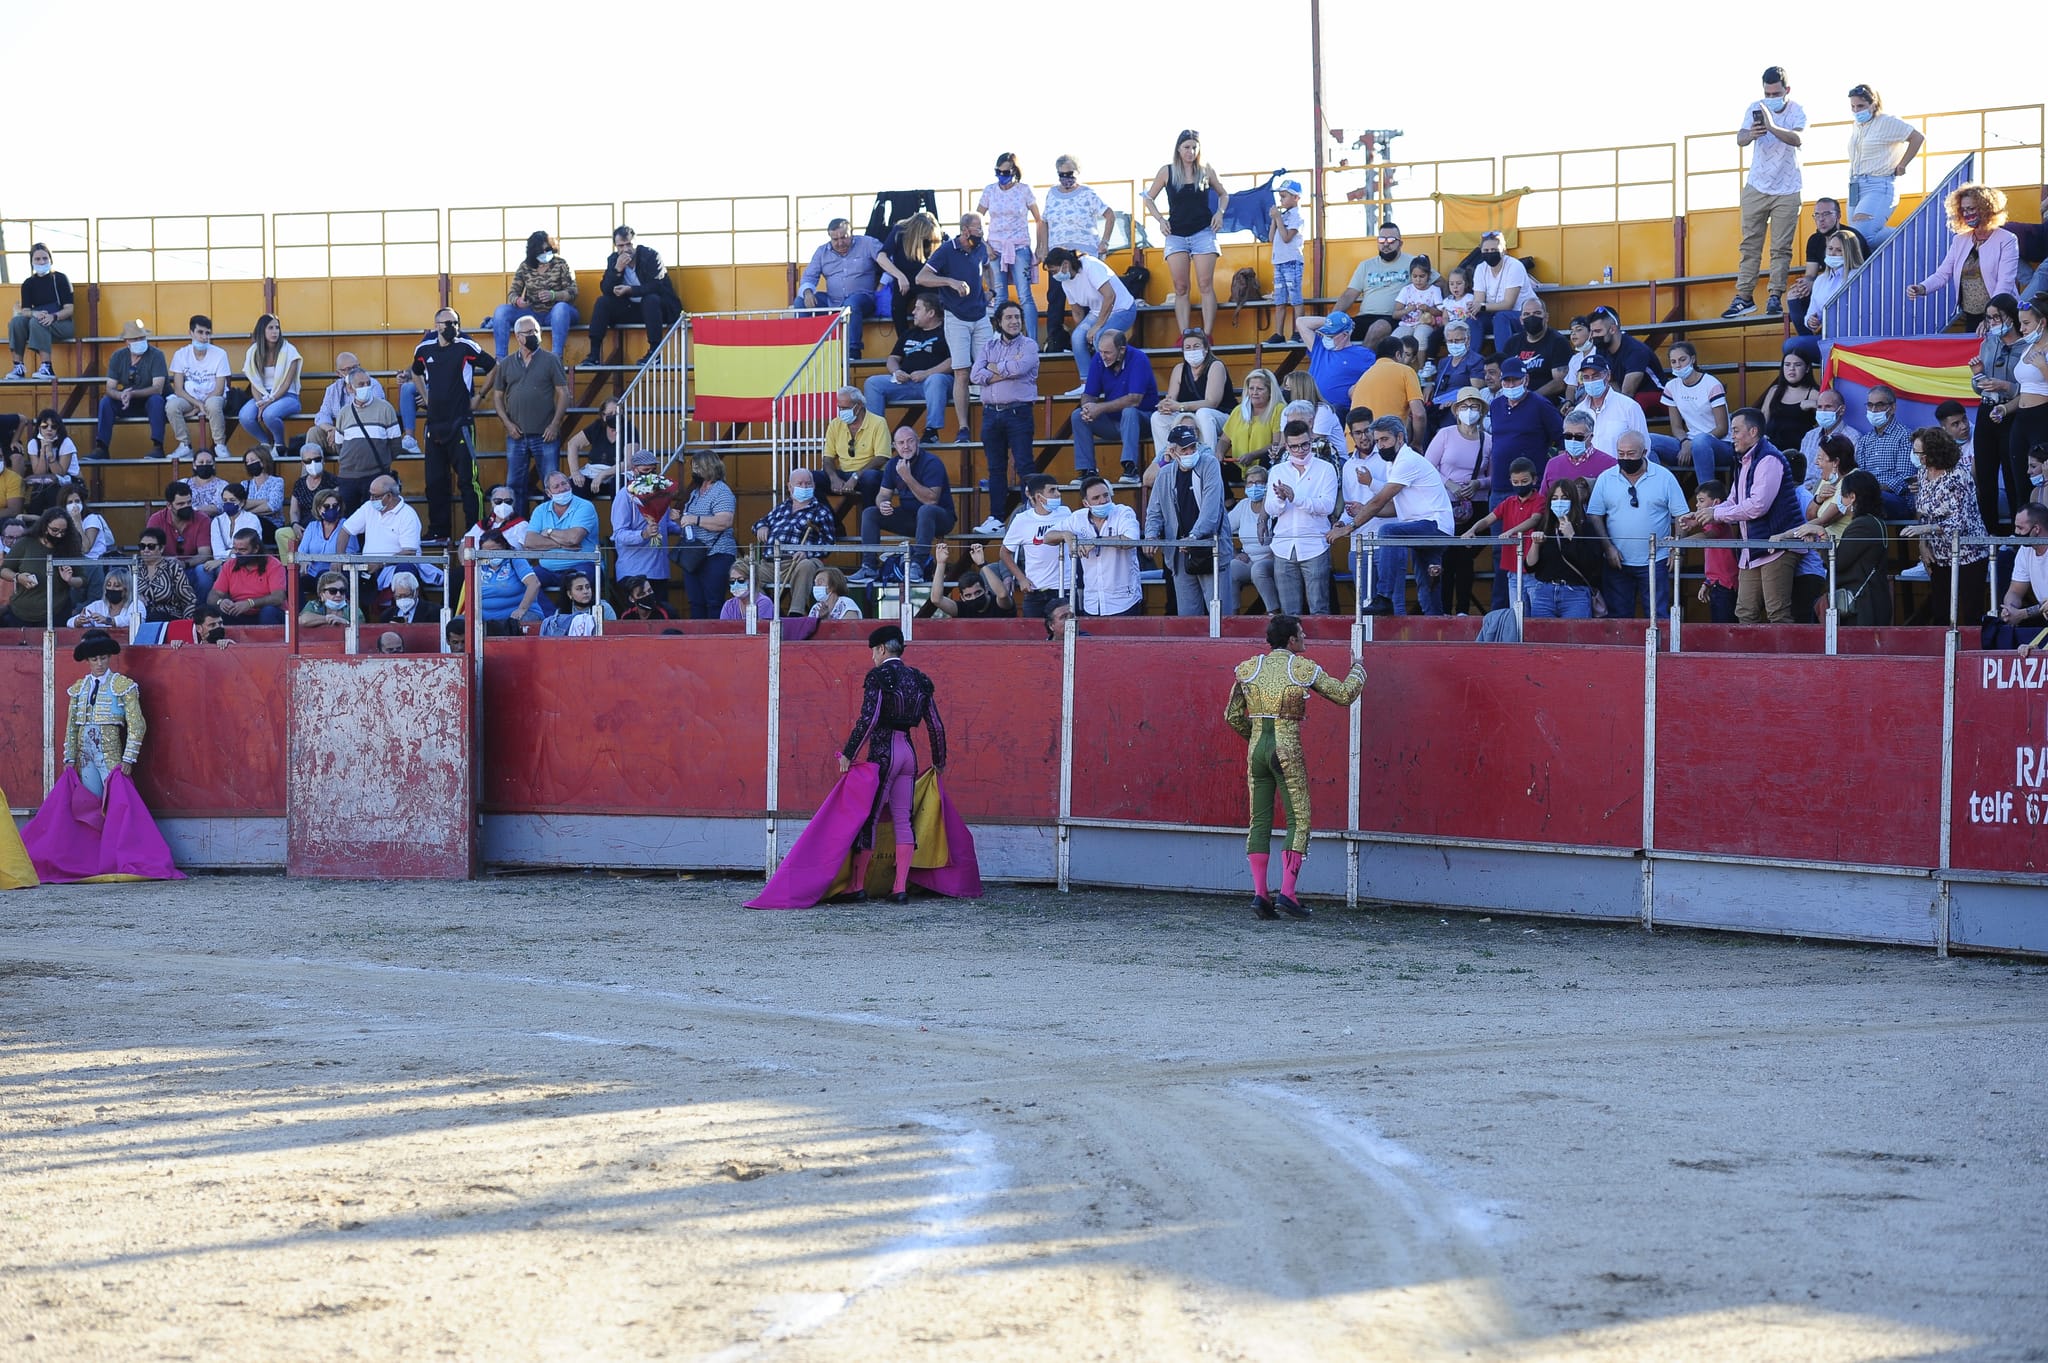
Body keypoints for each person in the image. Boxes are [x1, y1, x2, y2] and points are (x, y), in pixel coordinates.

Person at [1224, 614, 1364, 920]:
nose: (1305, 638)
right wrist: (1358, 668)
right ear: (1291, 640)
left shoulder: (1249, 668)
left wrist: (1256, 739)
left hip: (1257, 751)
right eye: (1302, 633)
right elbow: (1344, 695)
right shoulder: (1301, 668)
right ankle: (1287, 893)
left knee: (1259, 820)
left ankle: (1260, 895)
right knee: (1299, 820)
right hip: (1286, 750)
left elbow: (1232, 716)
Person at [1680, 408, 1802, 622]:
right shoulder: (1744, 460)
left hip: (1777, 546)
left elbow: (1757, 506)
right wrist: (1702, 515)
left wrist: (1716, 514)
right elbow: (1733, 501)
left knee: (1777, 613)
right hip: (1754, 547)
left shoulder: (1769, 459)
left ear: (1753, 432)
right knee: (1744, 612)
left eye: (1736, 431)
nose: (1732, 436)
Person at [1724, 66, 1808, 319]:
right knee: (1750, 244)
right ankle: (1744, 297)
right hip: (1757, 186)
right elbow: (1740, 138)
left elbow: (1798, 139)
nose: (1771, 98)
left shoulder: (1797, 110)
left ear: (1786, 90)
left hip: (1788, 188)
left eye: (1776, 93)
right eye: (1767, 93)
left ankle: (1774, 296)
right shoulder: (1755, 107)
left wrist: (1771, 126)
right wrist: (1751, 133)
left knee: (1781, 247)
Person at [1350, 416, 1455, 616]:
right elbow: (1392, 508)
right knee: (1427, 590)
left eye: (1385, 439)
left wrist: (1352, 526)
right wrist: (1363, 510)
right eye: (1377, 441)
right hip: (1423, 527)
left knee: (1388, 531)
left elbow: (1380, 501)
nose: (1380, 445)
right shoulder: (1394, 463)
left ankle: (1384, 597)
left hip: (1434, 525)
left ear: (1399, 438)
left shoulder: (1407, 460)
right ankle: (1438, 630)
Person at [409, 307, 495, 542]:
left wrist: (480, 397)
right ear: (436, 325)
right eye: (446, 323)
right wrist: (425, 396)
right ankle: (439, 531)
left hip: (461, 423)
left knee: (468, 480)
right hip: (434, 425)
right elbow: (415, 372)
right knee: (435, 481)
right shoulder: (424, 349)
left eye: (455, 323)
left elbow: (493, 367)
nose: (451, 327)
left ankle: (476, 531)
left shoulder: (466, 346)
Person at [1586, 432, 1690, 618]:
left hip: (1656, 561)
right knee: (1619, 619)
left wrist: (1677, 548)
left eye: (1631, 453)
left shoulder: (1664, 477)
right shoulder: (1605, 478)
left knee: (1658, 616)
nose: (1625, 458)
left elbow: (1682, 515)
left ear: (1644, 452)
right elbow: (1594, 515)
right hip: (1617, 562)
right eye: (1621, 453)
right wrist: (1608, 547)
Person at [916, 213, 996, 439]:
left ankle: (992, 422)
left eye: (982, 228)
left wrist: (991, 290)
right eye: (978, 228)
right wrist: (949, 281)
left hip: (980, 315)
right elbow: (921, 277)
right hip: (956, 317)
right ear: (965, 230)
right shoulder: (946, 250)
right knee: (961, 372)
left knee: (989, 369)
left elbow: (988, 267)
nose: (981, 232)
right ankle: (963, 428)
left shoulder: (981, 248)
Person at [1901, 426, 1990, 625]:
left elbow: (1960, 521)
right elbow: (1924, 512)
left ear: (1934, 452)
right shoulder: (1923, 474)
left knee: (1971, 613)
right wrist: (1923, 544)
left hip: (1968, 553)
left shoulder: (1958, 475)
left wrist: (1926, 529)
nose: (1916, 456)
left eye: (1919, 452)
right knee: (1940, 612)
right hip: (1938, 555)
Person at [1143, 130, 1228, 336]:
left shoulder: (1206, 170)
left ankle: (1207, 335)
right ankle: (1185, 336)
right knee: (1180, 287)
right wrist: (1160, 220)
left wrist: (1220, 213)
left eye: (1194, 147)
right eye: (1187, 147)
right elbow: (1148, 198)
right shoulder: (1167, 171)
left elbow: (1223, 194)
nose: (1191, 151)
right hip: (1176, 235)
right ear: (1178, 149)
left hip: (1203, 232)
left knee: (1205, 284)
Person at [971, 301, 1041, 531]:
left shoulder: (1029, 345)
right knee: (995, 468)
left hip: (1018, 412)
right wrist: (1005, 369)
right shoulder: (988, 346)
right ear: (999, 322)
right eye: (1009, 318)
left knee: (1024, 464)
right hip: (991, 414)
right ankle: (996, 519)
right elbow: (975, 375)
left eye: (1017, 317)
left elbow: (1020, 369)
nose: (1014, 322)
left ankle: (1030, 515)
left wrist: (993, 367)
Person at [1143, 425, 1227, 615]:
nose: (1190, 453)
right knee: (1187, 618)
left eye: (1193, 447)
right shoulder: (1164, 474)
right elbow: (1154, 511)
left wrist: (1194, 537)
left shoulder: (1210, 464)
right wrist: (1151, 535)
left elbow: (1211, 510)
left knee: (1220, 616)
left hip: (1211, 548)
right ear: (1172, 452)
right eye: (1184, 449)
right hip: (1179, 554)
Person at [853, 427, 955, 585]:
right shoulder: (893, 464)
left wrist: (907, 477)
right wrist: (882, 503)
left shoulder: (932, 462)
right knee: (870, 513)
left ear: (918, 442)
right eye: (901, 443)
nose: (906, 446)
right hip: (911, 518)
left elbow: (931, 500)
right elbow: (882, 494)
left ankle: (918, 564)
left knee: (926, 510)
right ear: (895, 446)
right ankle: (869, 566)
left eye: (910, 441)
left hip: (940, 519)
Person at [1907, 184, 2017, 330]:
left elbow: (2005, 282)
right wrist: (1922, 288)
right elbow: (1942, 274)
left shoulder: (2007, 239)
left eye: (1971, 209)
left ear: (1986, 209)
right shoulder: (1959, 240)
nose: (1966, 214)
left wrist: (1991, 316)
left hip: (2002, 314)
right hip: (1971, 316)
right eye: (1963, 210)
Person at [1037, 155, 1117, 350]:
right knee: (1055, 298)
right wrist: (1043, 247)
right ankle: (1054, 340)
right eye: (1062, 175)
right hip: (1058, 254)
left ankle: (1092, 339)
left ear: (1078, 173)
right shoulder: (1051, 194)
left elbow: (1110, 215)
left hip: (1082, 255)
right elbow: (1044, 221)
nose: (1066, 178)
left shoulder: (1088, 194)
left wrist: (1105, 241)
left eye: (1070, 174)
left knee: (1089, 298)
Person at [493, 314, 572, 513]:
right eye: (528, 332)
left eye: (536, 331)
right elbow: (497, 397)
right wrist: (508, 424)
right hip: (516, 436)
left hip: (546, 435)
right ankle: (517, 527)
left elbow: (564, 394)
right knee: (514, 486)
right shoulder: (506, 363)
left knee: (552, 485)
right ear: (518, 337)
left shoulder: (551, 360)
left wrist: (555, 425)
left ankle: (549, 525)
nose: (534, 335)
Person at [1424, 387, 1491, 613]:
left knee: (1464, 556)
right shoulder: (1445, 434)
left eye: (1474, 407)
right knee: (1448, 557)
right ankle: (1443, 609)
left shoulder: (1487, 440)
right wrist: (1449, 484)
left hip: (1476, 506)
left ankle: (1462, 610)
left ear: (1481, 411)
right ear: (1456, 410)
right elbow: (1427, 467)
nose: (1469, 411)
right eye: (1464, 406)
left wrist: (1477, 484)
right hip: (1446, 505)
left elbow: (1493, 477)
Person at [797, 218, 897, 362]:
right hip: (833, 302)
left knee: (851, 303)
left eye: (844, 237)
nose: (840, 243)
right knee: (800, 301)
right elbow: (809, 277)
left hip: (863, 300)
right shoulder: (821, 252)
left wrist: (882, 284)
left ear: (851, 233)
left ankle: (853, 351)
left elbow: (891, 262)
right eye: (835, 239)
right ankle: (804, 349)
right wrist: (807, 292)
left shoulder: (868, 243)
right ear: (829, 237)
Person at [1045, 475, 1144, 618]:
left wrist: (1096, 541)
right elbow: (1047, 537)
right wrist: (1065, 534)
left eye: (1106, 495)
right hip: (1092, 602)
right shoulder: (1077, 518)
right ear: (1086, 503)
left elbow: (1131, 540)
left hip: (1124, 601)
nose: (1103, 500)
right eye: (1096, 498)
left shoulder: (1123, 512)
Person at [1068, 328, 1159, 483]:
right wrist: (1087, 408)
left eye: (1107, 353)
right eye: (1101, 352)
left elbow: (1134, 399)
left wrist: (1099, 408)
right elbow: (1089, 394)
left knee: (1129, 412)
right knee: (1078, 416)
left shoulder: (1139, 359)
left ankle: (1130, 468)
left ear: (1122, 350)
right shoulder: (1099, 359)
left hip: (1142, 421)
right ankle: (1087, 470)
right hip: (1113, 422)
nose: (1103, 356)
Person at [1265, 421, 1337, 615]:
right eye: (1294, 446)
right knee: (1289, 614)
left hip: (1315, 546)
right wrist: (1281, 499)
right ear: (1286, 446)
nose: (1300, 451)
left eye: (1304, 444)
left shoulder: (1326, 469)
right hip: (1283, 547)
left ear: (1311, 440)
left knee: (1319, 610)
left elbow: (1327, 506)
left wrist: (1295, 498)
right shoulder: (1278, 471)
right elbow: (1270, 508)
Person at [861, 293, 953, 442]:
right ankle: (876, 435)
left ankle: (932, 431)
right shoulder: (909, 333)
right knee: (872, 383)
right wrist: (896, 372)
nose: (913, 312)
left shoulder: (947, 332)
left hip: (935, 384)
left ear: (931, 313)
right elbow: (892, 358)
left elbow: (953, 361)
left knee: (936, 379)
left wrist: (926, 374)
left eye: (918, 309)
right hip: (907, 382)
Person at [1841, 85, 1923, 246]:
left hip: (1878, 184)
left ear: (1873, 104)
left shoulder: (1887, 121)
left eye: (1861, 106)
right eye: (1853, 106)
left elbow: (1917, 137)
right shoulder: (1857, 125)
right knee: (1855, 238)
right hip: (1855, 185)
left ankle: (1911, 236)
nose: (1856, 111)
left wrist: (1903, 164)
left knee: (1864, 236)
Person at [1991, 297, 2048, 524]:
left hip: (2042, 417)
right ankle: (2022, 530)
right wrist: (2005, 408)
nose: (2021, 329)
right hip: (2021, 419)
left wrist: (2043, 367)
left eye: (2026, 323)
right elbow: (2025, 390)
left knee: (2042, 476)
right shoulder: (2028, 348)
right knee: (2019, 478)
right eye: (2020, 323)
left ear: (2042, 323)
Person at [1044, 248, 1137, 384]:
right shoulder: (1065, 283)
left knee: (1101, 337)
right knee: (1077, 338)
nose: (1053, 275)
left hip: (1122, 309)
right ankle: (1087, 383)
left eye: (1054, 271)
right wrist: (1084, 334)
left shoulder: (1090, 265)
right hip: (1096, 312)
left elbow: (1110, 296)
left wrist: (1097, 327)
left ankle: (1111, 379)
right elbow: (1077, 312)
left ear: (1065, 264)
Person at [1973, 294, 2027, 530]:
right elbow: (1978, 386)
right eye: (1989, 318)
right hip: (1986, 410)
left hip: (2013, 412)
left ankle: (2019, 534)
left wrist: (2005, 386)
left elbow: (2032, 388)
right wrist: (1977, 376)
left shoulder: (2027, 345)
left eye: (1997, 317)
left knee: (2013, 475)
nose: (1993, 322)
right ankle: (1989, 534)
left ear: (2012, 317)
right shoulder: (1988, 343)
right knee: (1985, 476)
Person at [589, 225, 681, 363]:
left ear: (635, 243)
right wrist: (617, 270)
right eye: (621, 246)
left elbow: (657, 285)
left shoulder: (651, 256)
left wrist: (630, 290)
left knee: (650, 300)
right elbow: (606, 289)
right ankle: (594, 355)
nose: (626, 249)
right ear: (616, 246)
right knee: (602, 302)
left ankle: (655, 353)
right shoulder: (614, 260)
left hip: (657, 310)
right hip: (631, 309)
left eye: (629, 244)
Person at [978, 154, 1043, 346]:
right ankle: (1001, 341)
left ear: (1014, 171)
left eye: (1005, 172)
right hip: (995, 248)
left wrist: (1040, 247)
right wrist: (985, 245)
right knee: (999, 296)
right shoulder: (990, 190)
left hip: (1019, 246)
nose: (1001, 176)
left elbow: (1039, 219)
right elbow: (976, 218)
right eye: (998, 172)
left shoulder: (1024, 190)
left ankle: (1032, 342)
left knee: (1025, 295)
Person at [1785, 198, 1871, 337]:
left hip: (1848, 287)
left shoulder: (1850, 237)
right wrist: (1806, 283)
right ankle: (1808, 339)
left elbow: (1858, 270)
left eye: (1826, 214)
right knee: (1794, 295)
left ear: (1838, 215)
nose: (1821, 219)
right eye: (1817, 215)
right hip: (1826, 282)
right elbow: (1810, 274)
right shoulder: (1814, 240)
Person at [1649, 342, 1732, 483]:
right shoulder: (1671, 386)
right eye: (1673, 362)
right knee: (1648, 440)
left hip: (1720, 444)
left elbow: (1722, 428)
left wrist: (1693, 443)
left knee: (1701, 442)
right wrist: (1685, 441)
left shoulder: (1712, 384)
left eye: (1682, 360)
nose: (1678, 365)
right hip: (1689, 442)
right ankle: (1659, 487)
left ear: (1692, 359)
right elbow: (1676, 427)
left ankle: (1707, 494)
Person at [491, 231, 580, 361]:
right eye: (540, 251)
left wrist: (554, 295)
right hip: (532, 313)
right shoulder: (525, 266)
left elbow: (573, 291)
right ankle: (500, 359)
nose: (545, 253)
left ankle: (556, 356)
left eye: (547, 249)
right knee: (501, 311)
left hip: (558, 314)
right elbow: (512, 293)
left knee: (561, 309)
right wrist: (518, 301)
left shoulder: (561, 264)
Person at [1523, 478, 1603, 618]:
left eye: (1564, 498)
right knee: (1542, 632)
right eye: (1555, 498)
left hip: (1575, 594)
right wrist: (1535, 544)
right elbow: (1530, 566)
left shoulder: (1586, 528)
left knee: (1575, 632)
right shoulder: (1544, 526)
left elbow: (1592, 566)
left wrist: (1572, 537)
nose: (1559, 502)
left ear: (1573, 500)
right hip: (1544, 593)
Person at [1000, 474, 1074, 620]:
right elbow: (1004, 552)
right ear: (1039, 497)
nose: (1058, 494)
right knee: (1033, 632)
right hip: (1035, 590)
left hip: (1064, 587)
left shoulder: (1066, 513)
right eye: (1052, 490)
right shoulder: (1022, 519)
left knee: (1066, 630)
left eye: (1057, 489)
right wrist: (1021, 578)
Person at [675, 450, 739, 619]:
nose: (694, 472)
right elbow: (690, 522)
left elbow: (725, 521)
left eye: (697, 468)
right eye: (693, 468)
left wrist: (694, 519)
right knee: (695, 602)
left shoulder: (721, 491)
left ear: (709, 467)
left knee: (714, 602)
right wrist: (679, 519)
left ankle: (715, 634)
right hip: (694, 556)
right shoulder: (695, 493)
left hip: (716, 554)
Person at [1152, 329, 1233, 459]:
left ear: (1206, 349)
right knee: (1158, 417)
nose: (1192, 350)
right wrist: (1165, 405)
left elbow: (1212, 402)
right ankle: (1166, 461)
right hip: (1189, 416)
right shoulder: (1179, 369)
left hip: (1220, 416)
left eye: (1196, 346)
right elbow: (1171, 400)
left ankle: (1207, 460)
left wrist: (1180, 406)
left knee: (1203, 413)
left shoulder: (1216, 366)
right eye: (1188, 348)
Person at [613, 449, 681, 605]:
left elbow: (667, 526)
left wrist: (680, 523)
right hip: (634, 571)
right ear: (634, 470)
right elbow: (619, 534)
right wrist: (643, 534)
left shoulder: (661, 493)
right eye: (645, 470)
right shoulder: (624, 495)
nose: (650, 475)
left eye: (653, 470)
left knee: (661, 614)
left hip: (659, 571)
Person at [93, 319, 168, 459]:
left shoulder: (156, 355)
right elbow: (110, 388)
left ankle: (158, 446)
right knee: (106, 402)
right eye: (135, 338)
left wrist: (132, 394)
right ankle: (101, 448)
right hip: (126, 402)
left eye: (142, 337)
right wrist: (120, 395)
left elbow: (158, 388)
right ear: (126, 341)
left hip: (148, 402)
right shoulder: (118, 356)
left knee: (157, 400)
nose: (140, 341)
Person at [1333, 223, 1421, 343]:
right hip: (1365, 317)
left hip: (1395, 318)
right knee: (1335, 332)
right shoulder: (1366, 265)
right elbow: (1349, 295)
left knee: (1378, 328)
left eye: (1391, 240)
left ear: (1400, 243)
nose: (1386, 244)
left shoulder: (1413, 262)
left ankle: (1364, 356)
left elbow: (1438, 282)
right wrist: (1332, 319)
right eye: (1382, 240)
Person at [0, 506, 79, 626]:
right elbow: (3, 570)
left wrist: (70, 580)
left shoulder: (69, 547)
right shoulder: (25, 544)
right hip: (20, 613)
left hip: (57, 613)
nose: (59, 535)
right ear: (44, 527)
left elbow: (83, 579)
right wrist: (18, 577)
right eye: (55, 530)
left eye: (63, 532)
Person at [167, 315, 233, 459]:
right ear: (191, 333)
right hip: (190, 399)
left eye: (207, 333)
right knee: (171, 406)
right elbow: (178, 389)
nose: (204, 337)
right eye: (200, 332)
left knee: (213, 404)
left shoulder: (220, 354)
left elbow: (219, 389)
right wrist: (198, 404)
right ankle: (185, 445)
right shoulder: (180, 354)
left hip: (213, 397)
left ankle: (220, 445)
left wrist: (199, 407)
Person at [6, 243, 73, 381]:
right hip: (38, 320)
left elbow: (69, 309)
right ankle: (18, 367)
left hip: (62, 322)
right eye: (37, 259)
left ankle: (47, 367)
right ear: (31, 262)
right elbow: (25, 310)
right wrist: (34, 313)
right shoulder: (28, 283)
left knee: (37, 322)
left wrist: (53, 316)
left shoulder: (60, 279)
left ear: (50, 259)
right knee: (16, 322)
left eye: (45, 258)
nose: (42, 262)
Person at [237, 314, 303, 453]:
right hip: (262, 396)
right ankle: (265, 443)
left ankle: (279, 445)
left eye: (277, 328)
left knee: (269, 415)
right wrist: (260, 403)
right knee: (245, 416)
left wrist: (270, 401)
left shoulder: (290, 351)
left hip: (287, 395)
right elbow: (254, 384)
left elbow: (286, 384)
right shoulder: (253, 352)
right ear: (262, 330)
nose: (275, 332)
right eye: (270, 328)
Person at [1986, 502, 2048, 647]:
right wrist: (2010, 609)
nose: (2015, 532)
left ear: (2036, 529)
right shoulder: (2025, 550)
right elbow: (2015, 590)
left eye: (2020, 528)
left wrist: (2022, 614)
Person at [1295, 311, 1373, 421]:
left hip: (1339, 412)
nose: (1326, 337)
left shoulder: (1364, 355)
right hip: (1311, 408)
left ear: (1345, 335)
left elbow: (1374, 378)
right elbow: (1301, 322)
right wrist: (1330, 322)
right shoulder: (1319, 347)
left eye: (1330, 335)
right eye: (1325, 333)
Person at [1855, 383, 1918, 518]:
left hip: (1898, 500)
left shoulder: (1905, 436)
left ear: (1892, 407)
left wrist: (1874, 489)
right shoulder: (1865, 441)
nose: (1874, 410)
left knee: (1867, 500)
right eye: (1870, 405)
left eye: (1879, 405)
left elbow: (1906, 478)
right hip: (1868, 497)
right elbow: (1861, 475)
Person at [1348, 336, 1428, 441]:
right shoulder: (1405, 371)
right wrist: (1417, 443)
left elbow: (1350, 392)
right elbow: (1419, 414)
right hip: (1384, 442)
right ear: (1398, 355)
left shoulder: (1365, 374)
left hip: (1355, 442)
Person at [752, 467, 837, 565]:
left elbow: (828, 542)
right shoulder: (782, 508)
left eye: (808, 483)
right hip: (769, 563)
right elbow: (760, 522)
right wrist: (762, 526)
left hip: (797, 563)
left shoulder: (821, 511)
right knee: (740, 568)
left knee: (806, 565)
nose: (804, 487)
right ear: (789, 487)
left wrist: (807, 553)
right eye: (799, 484)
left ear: (814, 485)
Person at [208, 527, 288, 625]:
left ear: (256, 549)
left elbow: (278, 597)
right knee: (215, 613)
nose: (237, 553)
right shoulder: (229, 565)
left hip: (268, 613)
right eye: (235, 549)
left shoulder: (274, 565)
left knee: (268, 612)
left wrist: (250, 603)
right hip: (239, 613)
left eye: (242, 550)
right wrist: (220, 602)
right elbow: (213, 595)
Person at [1227, 466, 1278, 614]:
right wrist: (1235, 553)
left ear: (1267, 484)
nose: (1254, 486)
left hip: (1273, 559)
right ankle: (1232, 617)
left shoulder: (1274, 505)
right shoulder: (1243, 505)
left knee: (1258, 570)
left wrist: (1273, 555)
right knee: (1231, 568)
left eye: (1259, 482)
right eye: (1250, 483)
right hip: (1248, 558)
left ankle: (1274, 613)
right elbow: (1223, 530)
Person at [881, 212, 943, 334]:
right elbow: (881, 257)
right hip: (904, 280)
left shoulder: (934, 236)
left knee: (931, 307)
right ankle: (903, 340)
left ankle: (933, 338)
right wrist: (899, 276)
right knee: (897, 308)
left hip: (926, 281)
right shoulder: (899, 232)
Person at [1470, 233, 1530, 355]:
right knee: (1474, 319)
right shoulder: (1480, 268)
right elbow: (1478, 300)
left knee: (1501, 317)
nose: (1490, 253)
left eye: (1494, 250)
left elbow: (1508, 304)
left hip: (1522, 315)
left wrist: (1481, 306)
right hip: (1495, 315)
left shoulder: (1514, 266)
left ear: (1503, 250)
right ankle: (1471, 360)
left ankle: (1503, 359)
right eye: (1486, 250)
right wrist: (1473, 308)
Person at [920, 540, 1015, 619]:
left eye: (978, 592)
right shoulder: (962, 609)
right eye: (968, 595)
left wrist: (982, 564)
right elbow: (936, 599)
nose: (974, 597)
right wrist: (941, 563)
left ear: (986, 590)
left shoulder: (999, 604)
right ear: (962, 597)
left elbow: (1002, 594)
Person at [471, 529, 543, 627]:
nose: (491, 555)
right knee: (458, 625)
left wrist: (521, 609)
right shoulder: (478, 565)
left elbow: (534, 583)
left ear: (504, 547)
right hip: (484, 619)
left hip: (516, 616)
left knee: (522, 623)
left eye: (495, 551)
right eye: (486, 552)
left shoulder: (515, 559)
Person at [1217, 368, 1282, 476]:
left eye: (1260, 389)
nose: (1254, 393)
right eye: (1251, 388)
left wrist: (1253, 455)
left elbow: (1277, 444)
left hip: (1264, 466)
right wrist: (1220, 452)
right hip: (1239, 465)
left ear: (1270, 391)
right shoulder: (1238, 410)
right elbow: (1224, 440)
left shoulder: (1278, 409)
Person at [565, 398, 633, 499]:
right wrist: (575, 473)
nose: (614, 416)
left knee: (619, 484)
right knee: (574, 486)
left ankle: (618, 510)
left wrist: (603, 475)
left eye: (618, 413)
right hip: (593, 473)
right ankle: (583, 510)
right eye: (610, 414)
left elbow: (628, 463)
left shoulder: (629, 429)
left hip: (618, 473)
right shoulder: (597, 427)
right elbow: (572, 444)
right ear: (603, 416)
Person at [1801, 231, 1866, 335]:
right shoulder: (1820, 280)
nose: (1832, 254)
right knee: (1792, 344)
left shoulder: (1859, 277)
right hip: (1826, 335)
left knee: (1792, 343)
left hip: (1851, 335)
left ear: (1850, 253)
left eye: (1839, 250)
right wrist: (1811, 321)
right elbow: (1812, 312)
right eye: (1830, 249)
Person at [295, 489, 357, 594]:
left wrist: (339, 560)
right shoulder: (312, 526)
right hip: (312, 574)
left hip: (335, 575)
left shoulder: (347, 526)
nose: (331, 509)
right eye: (327, 506)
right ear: (319, 509)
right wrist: (304, 561)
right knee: (292, 578)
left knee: (324, 575)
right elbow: (302, 551)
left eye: (335, 506)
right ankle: (302, 605)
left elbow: (351, 552)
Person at [1759, 352, 1820, 457]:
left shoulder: (1814, 394)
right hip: (1772, 453)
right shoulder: (1774, 391)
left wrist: (1815, 405)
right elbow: (1762, 420)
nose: (1791, 368)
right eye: (1787, 364)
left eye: (1797, 365)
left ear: (1807, 368)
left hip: (1799, 454)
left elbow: (1824, 427)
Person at [1268, 178, 1307, 343]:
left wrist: (1278, 219)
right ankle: (1279, 333)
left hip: (1292, 261)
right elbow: (1271, 238)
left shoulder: (1297, 216)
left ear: (1296, 198)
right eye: (1280, 196)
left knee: (1295, 298)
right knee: (1280, 299)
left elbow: (1286, 238)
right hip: (1279, 262)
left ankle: (1298, 332)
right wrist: (1274, 220)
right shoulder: (1283, 216)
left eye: (1284, 196)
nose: (1281, 200)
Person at [131, 529, 196, 623]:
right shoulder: (135, 568)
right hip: (140, 617)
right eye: (142, 546)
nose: (146, 550)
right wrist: (136, 597)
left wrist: (186, 624)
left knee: (154, 618)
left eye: (151, 546)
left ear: (161, 548)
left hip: (168, 617)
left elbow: (189, 600)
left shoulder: (173, 568)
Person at [1544, 411, 1616, 493]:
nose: (1573, 440)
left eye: (1579, 437)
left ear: (1590, 437)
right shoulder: (1553, 464)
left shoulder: (1610, 465)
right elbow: (1543, 498)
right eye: (1568, 436)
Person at [1390, 257, 1443, 356]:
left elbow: (1441, 312)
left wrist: (1428, 309)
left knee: (1420, 336)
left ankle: (1422, 365)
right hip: (1406, 324)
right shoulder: (1406, 290)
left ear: (1429, 275)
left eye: (1422, 276)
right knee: (1394, 340)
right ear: (1410, 275)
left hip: (1426, 324)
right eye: (1415, 276)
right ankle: (1396, 364)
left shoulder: (1435, 290)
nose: (1418, 280)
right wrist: (1407, 310)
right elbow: (1395, 314)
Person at [536, 569, 614, 636]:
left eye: (587, 587)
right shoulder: (560, 613)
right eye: (579, 588)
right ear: (569, 594)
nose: (585, 591)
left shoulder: (604, 608)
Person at [299, 571, 365, 630]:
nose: (338, 595)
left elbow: (361, 631)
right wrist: (328, 619)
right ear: (322, 594)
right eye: (332, 591)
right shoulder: (314, 605)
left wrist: (345, 622)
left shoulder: (353, 610)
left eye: (342, 591)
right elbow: (303, 620)